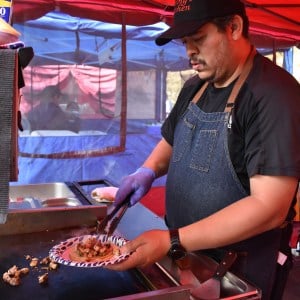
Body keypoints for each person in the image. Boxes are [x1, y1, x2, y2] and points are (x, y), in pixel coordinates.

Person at [105, 1, 300, 299]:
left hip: (236, 273)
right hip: (184, 256)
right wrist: (146, 169)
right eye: (186, 43)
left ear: (233, 27)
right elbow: (172, 140)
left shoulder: (273, 95)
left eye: (198, 40)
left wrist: (171, 239)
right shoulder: (195, 87)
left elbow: (269, 208)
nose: (189, 53)